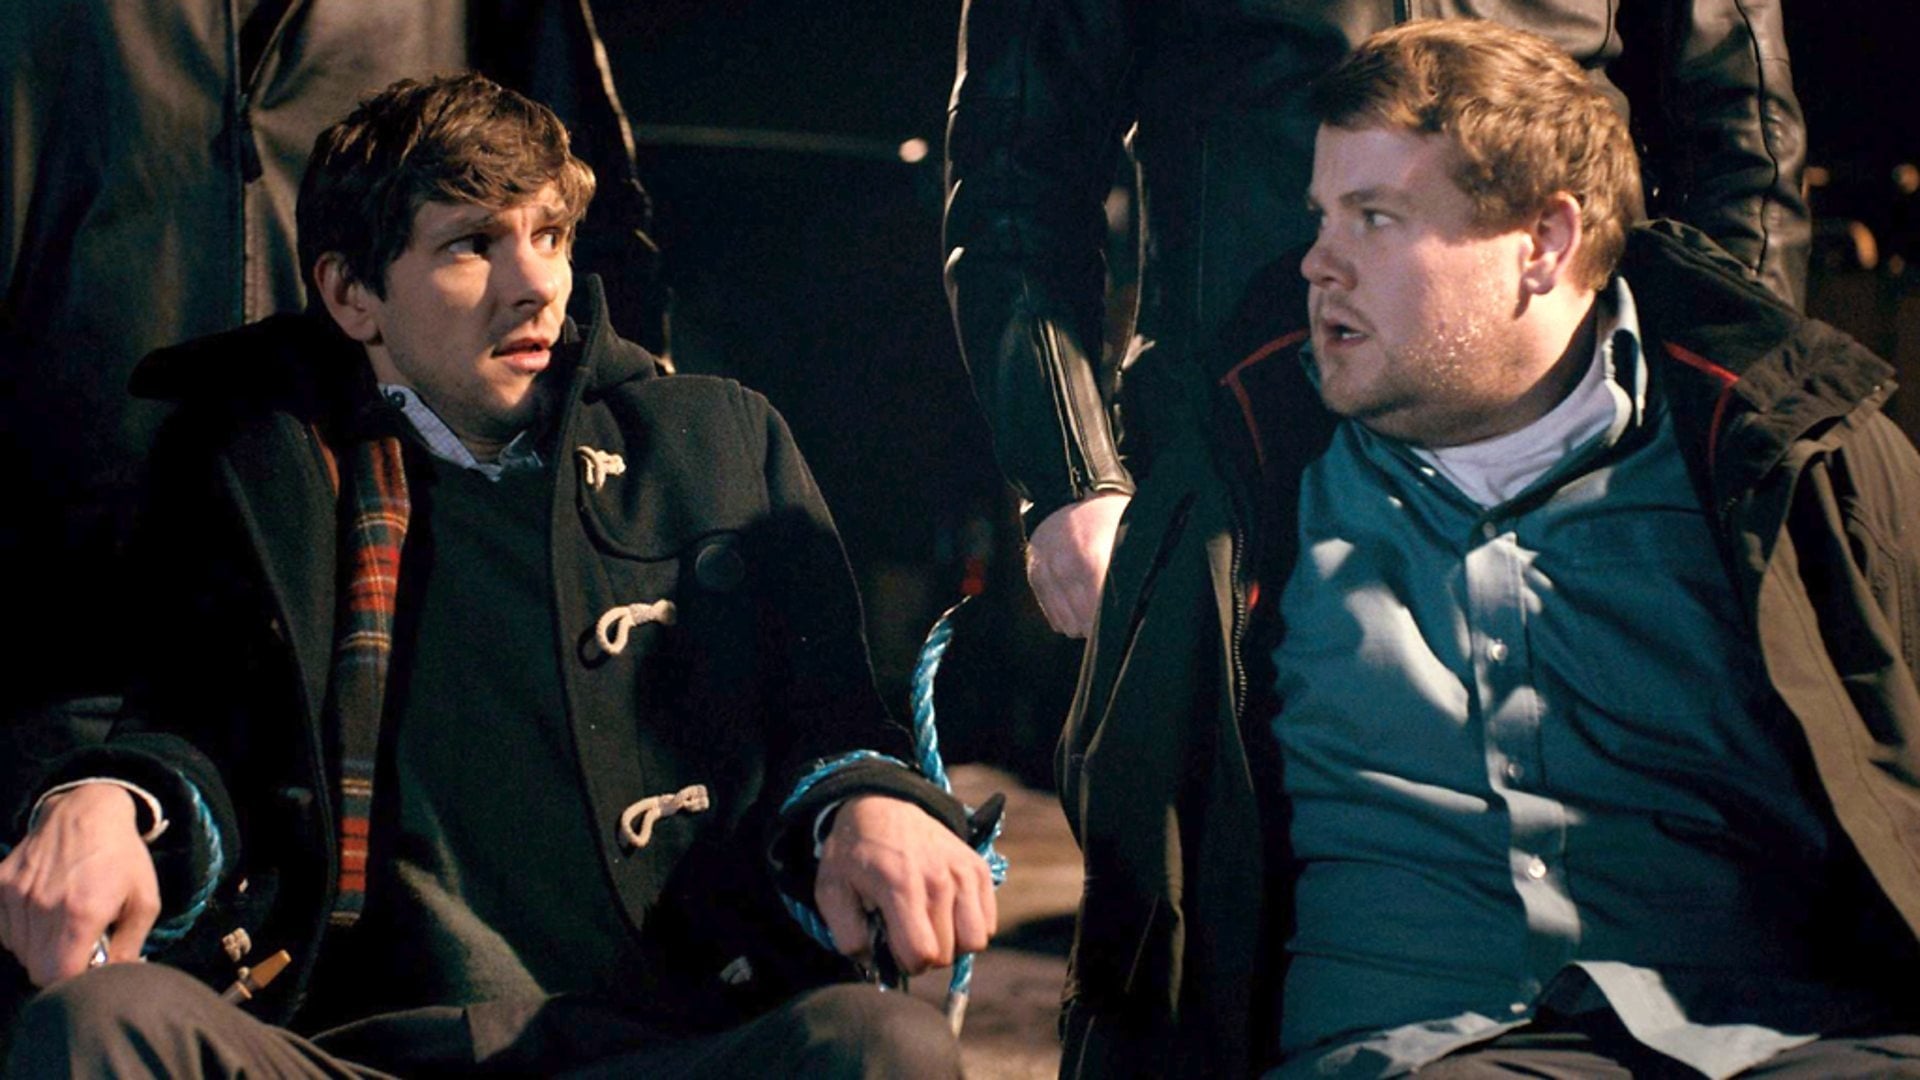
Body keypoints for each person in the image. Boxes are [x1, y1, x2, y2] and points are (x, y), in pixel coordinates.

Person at [0, 73, 991, 1077]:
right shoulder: (263, 468)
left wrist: (869, 806)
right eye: (473, 244)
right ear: (352, 295)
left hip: (668, 1043)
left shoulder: (716, 442)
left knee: (882, 1046)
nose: (536, 285)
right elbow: (185, 724)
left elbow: (835, 726)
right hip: (350, 1052)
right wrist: (109, 802)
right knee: (99, 1025)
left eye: (549, 235)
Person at [1055, 19, 1920, 1078]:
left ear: (1543, 244)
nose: (1317, 263)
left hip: (1784, 1039)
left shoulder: (1784, 464)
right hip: (1420, 1046)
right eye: (1322, 215)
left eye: (1375, 217)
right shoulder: (1242, 496)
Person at [942, 0, 1809, 641]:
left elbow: (1744, 136)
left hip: (1584, 448)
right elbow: (1016, 176)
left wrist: (1728, 427)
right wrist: (1072, 480)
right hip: (1250, 458)